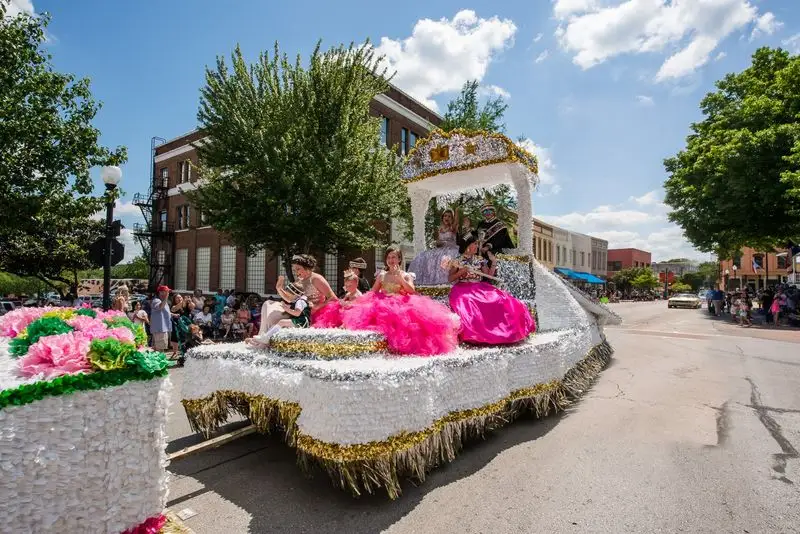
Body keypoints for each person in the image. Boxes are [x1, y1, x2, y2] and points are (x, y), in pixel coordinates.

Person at [341, 245, 460, 356]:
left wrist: (400, 278)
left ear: (399, 259)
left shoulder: (406, 275)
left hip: (401, 304)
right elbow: (372, 292)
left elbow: (412, 290)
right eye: (388, 257)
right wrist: (357, 301)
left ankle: (399, 347)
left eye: (394, 257)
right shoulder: (382, 275)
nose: (391, 260)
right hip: (383, 304)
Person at [448, 234, 536, 345]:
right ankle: (476, 336)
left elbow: (488, 275)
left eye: (477, 244)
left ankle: (506, 332)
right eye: (475, 244)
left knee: (501, 298)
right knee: (468, 300)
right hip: (463, 288)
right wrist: (461, 272)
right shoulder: (457, 261)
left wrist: (493, 262)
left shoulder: (480, 260)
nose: (477, 246)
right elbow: (450, 278)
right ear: (468, 246)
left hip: (480, 287)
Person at [259, 254, 337, 333]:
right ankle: (262, 337)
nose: (296, 272)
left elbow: (333, 298)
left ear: (307, 267)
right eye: (294, 270)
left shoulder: (316, 279)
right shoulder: (300, 279)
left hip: (312, 315)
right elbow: (290, 299)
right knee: (267, 305)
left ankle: (264, 339)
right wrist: (279, 289)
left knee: (272, 317)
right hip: (297, 311)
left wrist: (317, 306)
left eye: (298, 269)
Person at [408, 209, 460, 285]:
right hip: (441, 249)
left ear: (452, 218)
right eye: (445, 216)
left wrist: (457, 210)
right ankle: (427, 280)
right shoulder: (439, 229)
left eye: (449, 216)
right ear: (442, 217)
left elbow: (456, 221)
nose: (447, 218)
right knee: (423, 256)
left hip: (450, 249)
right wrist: (437, 243)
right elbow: (438, 241)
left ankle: (444, 281)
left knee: (444, 258)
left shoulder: (453, 227)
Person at [150, 286, 172, 353]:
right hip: (159, 329)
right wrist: (166, 297)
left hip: (164, 328)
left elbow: (165, 312)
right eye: (167, 292)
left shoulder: (164, 302)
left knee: (161, 348)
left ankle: (160, 361)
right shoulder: (156, 300)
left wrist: (173, 314)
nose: (168, 293)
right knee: (159, 349)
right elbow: (160, 307)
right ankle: (159, 362)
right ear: (161, 292)